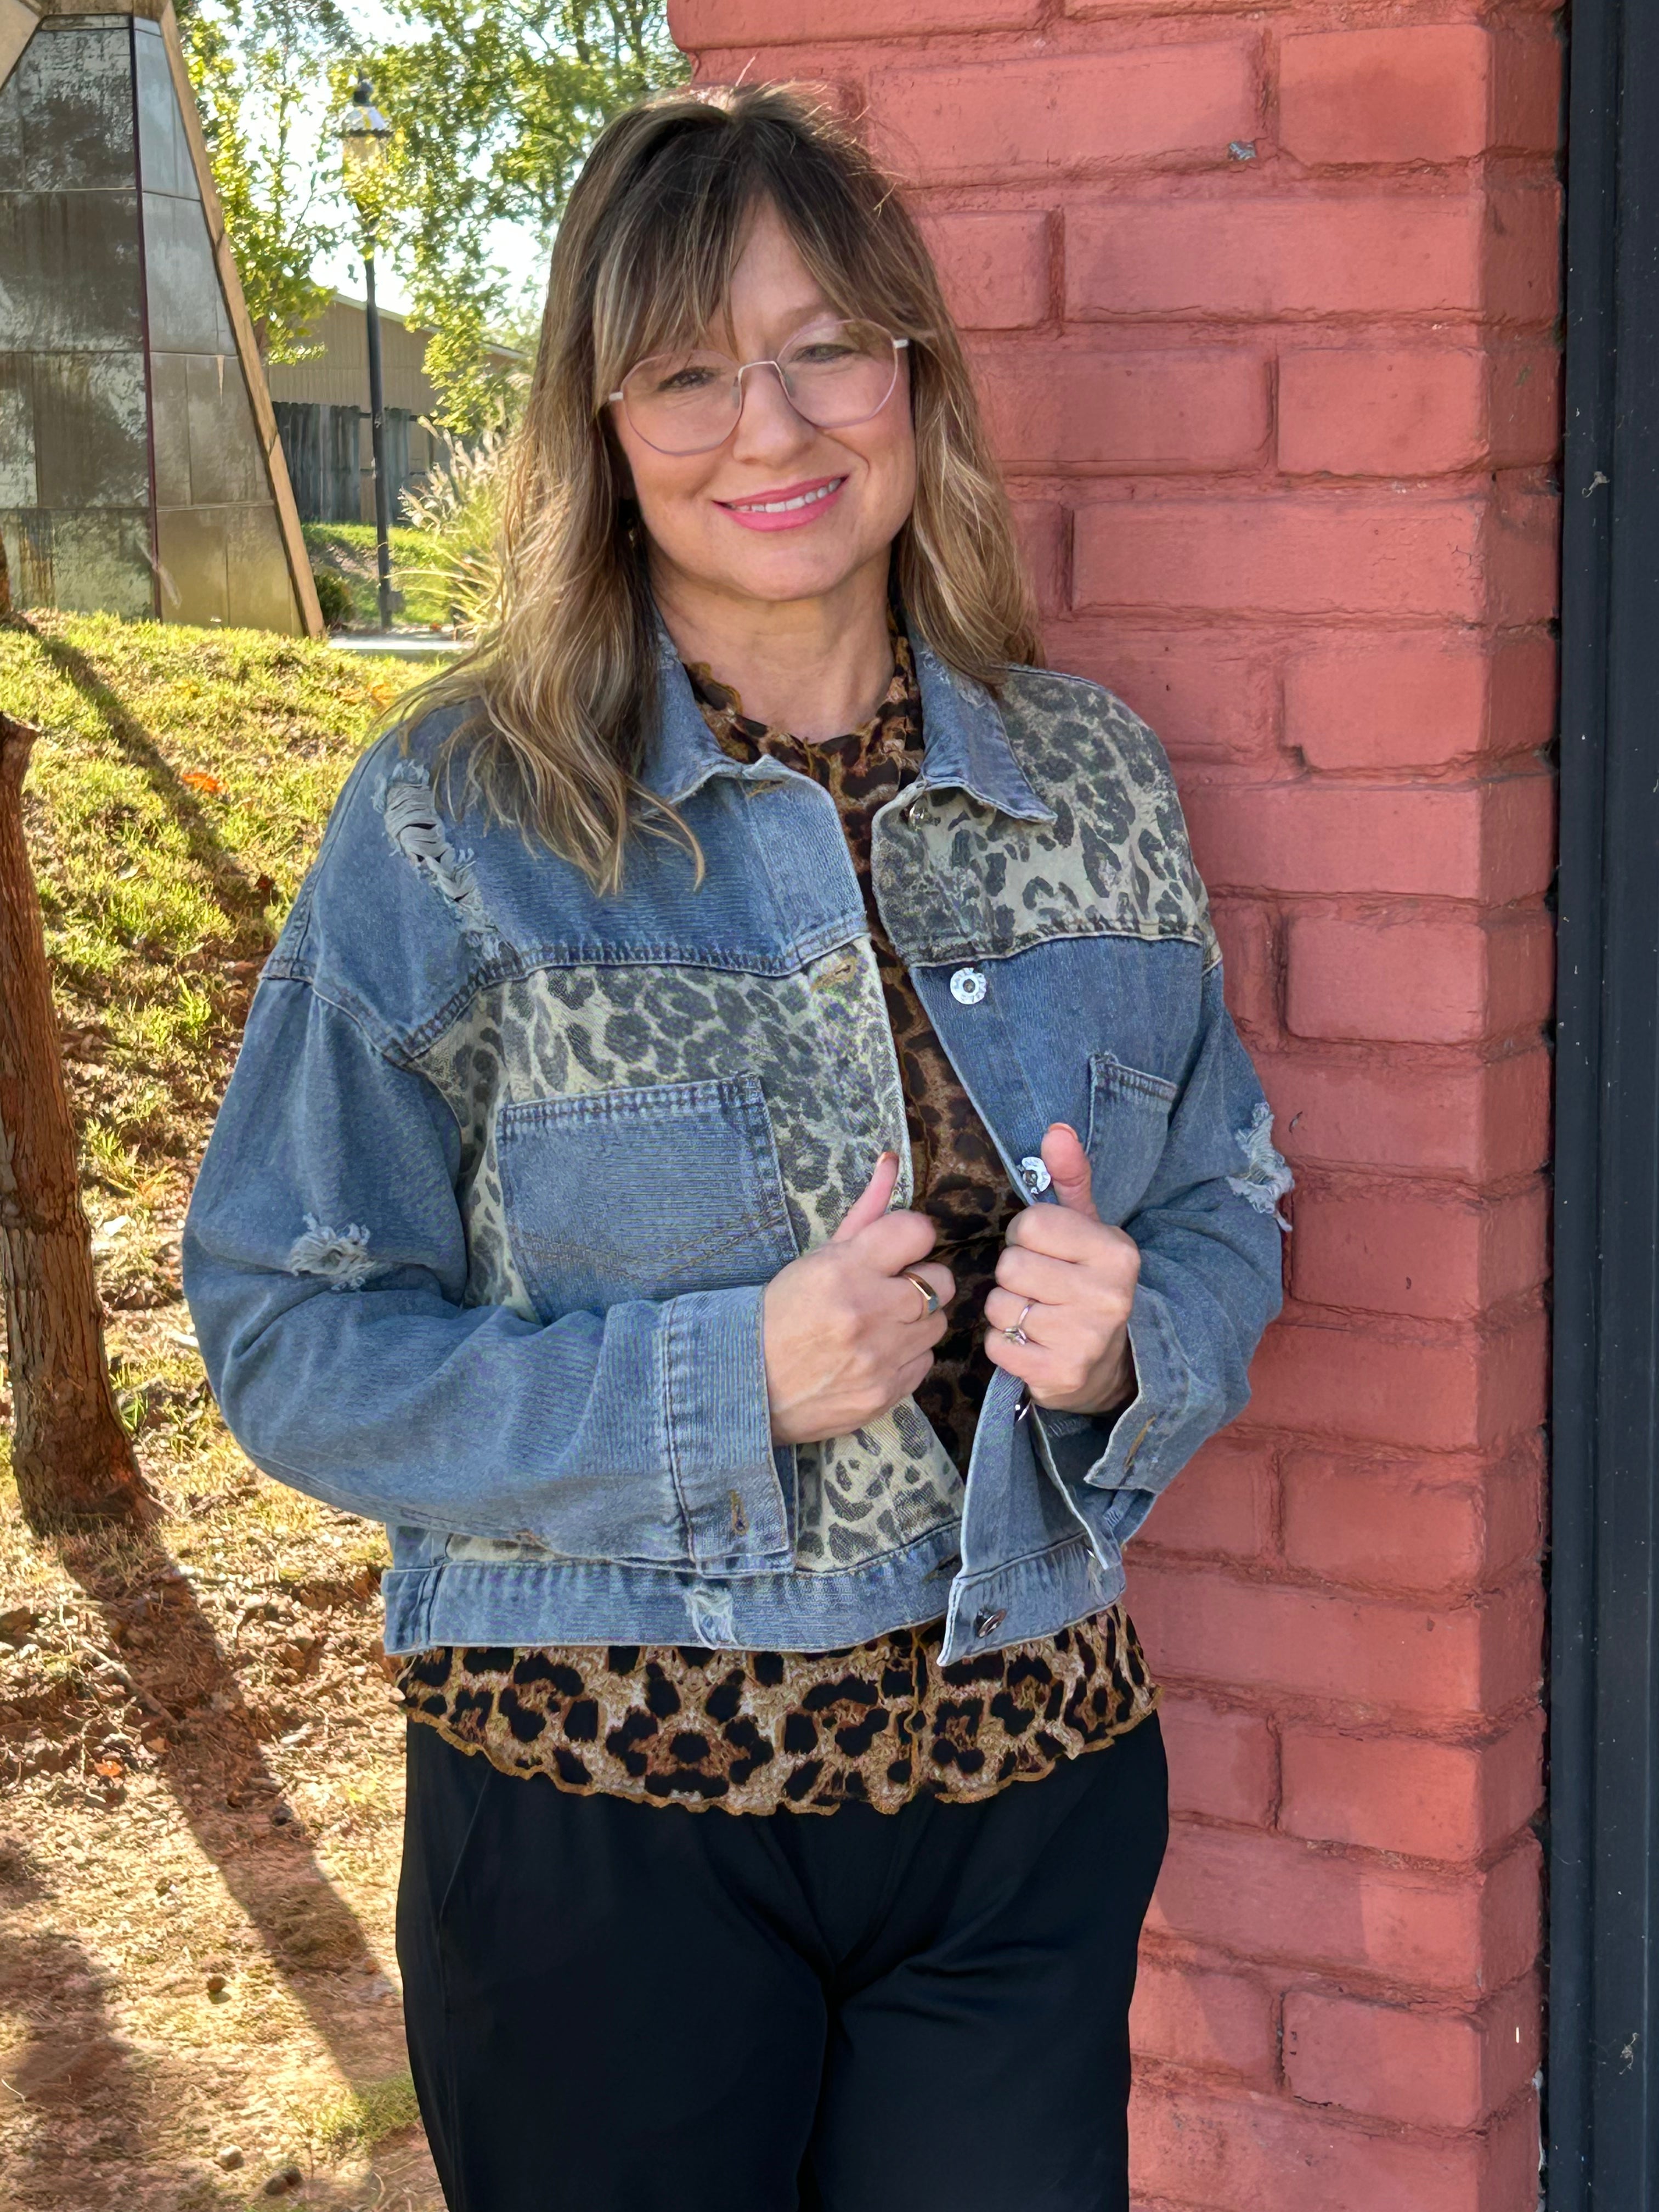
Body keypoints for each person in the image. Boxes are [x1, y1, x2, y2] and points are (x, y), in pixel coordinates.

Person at [183, 82, 1289, 2212]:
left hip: (1022, 1811)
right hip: (606, 1842)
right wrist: (720, 1387)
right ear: (599, 427)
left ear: (911, 379)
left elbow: (1230, 1185)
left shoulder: (1094, 777)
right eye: (686, 370)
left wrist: (1142, 1343)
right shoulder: (454, 821)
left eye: (821, 351)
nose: (768, 430)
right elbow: (284, 1331)